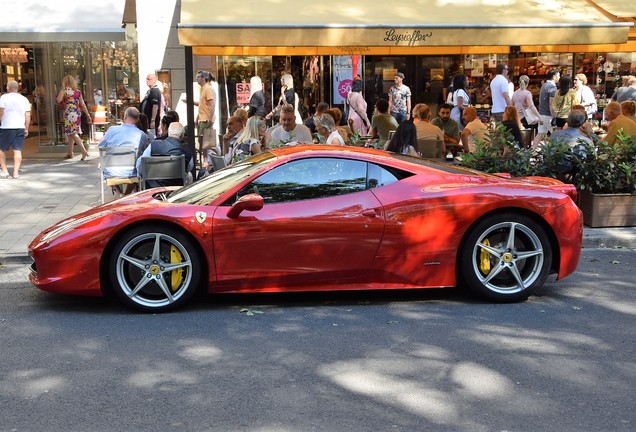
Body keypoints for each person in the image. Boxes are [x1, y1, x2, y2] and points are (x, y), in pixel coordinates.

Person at [99, 107, 147, 194]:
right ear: (137, 119)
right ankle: (126, 195)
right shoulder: (141, 134)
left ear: (125, 116)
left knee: (105, 163)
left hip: (111, 172)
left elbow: (101, 146)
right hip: (132, 174)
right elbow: (145, 151)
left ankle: (120, 193)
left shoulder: (111, 130)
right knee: (137, 166)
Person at [137, 122, 194, 188]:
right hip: (175, 190)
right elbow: (189, 168)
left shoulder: (153, 146)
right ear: (182, 136)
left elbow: (140, 165)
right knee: (189, 175)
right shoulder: (186, 152)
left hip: (152, 188)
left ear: (169, 133)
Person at [56, 75, 91, 160]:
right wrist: (87, 115)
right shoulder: (78, 92)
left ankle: (83, 151)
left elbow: (58, 100)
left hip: (69, 114)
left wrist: (62, 93)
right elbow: (82, 104)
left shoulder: (64, 91)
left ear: (64, 82)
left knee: (73, 133)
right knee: (71, 133)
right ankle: (70, 152)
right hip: (77, 113)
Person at [0, 80, 30, 179]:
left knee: (1, 149)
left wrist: (1, 120)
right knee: (17, 150)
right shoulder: (24, 99)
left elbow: (1, 111)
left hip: (6, 127)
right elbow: (28, 115)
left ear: (8, 87)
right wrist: (26, 128)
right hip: (20, 127)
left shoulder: (3, 97)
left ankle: (4, 170)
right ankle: (16, 173)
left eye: (7, 86)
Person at [512, 75, 542, 147]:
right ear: (527, 83)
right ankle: (527, 149)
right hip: (526, 118)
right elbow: (531, 106)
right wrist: (539, 117)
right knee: (528, 137)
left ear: (519, 82)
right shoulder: (527, 93)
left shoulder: (514, 93)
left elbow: (512, 105)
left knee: (519, 137)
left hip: (517, 118)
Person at [533, 69, 560, 147]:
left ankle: (532, 151)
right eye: (558, 75)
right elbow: (551, 103)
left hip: (541, 114)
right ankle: (553, 152)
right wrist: (554, 116)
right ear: (554, 77)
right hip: (548, 115)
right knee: (555, 135)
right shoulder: (552, 87)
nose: (559, 77)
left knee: (540, 133)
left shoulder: (544, 85)